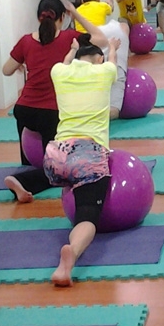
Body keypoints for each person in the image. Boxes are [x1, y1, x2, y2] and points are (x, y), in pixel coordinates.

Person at [1, 0, 106, 203]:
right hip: (51, 112)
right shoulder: (69, 38)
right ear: (62, 17)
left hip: (23, 109)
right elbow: (101, 39)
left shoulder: (26, 41)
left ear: (38, 17)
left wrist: (22, 63)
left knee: (31, 153)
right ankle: (23, 181)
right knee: (57, 170)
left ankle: (25, 170)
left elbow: (6, 70)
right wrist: (75, 13)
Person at [45, 34, 122, 287]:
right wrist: (112, 48)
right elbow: (113, 62)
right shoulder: (104, 71)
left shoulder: (59, 72)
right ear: (98, 59)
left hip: (55, 155)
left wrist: (71, 50)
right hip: (88, 154)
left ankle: (29, 182)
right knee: (88, 215)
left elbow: (64, 62)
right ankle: (72, 254)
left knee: (68, 176)